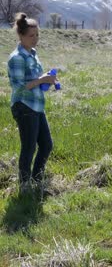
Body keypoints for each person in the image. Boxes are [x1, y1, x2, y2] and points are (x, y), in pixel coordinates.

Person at [8, 13, 57, 194]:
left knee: (46, 145)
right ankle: (25, 187)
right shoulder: (17, 58)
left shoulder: (33, 54)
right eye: (31, 36)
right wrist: (39, 80)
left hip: (36, 105)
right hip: (23, 106)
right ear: (21, 36)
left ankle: (37, 181)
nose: (35, 39)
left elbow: (34, 80)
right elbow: (19, 88)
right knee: (28, 147)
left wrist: (46, 81)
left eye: (37, 35)